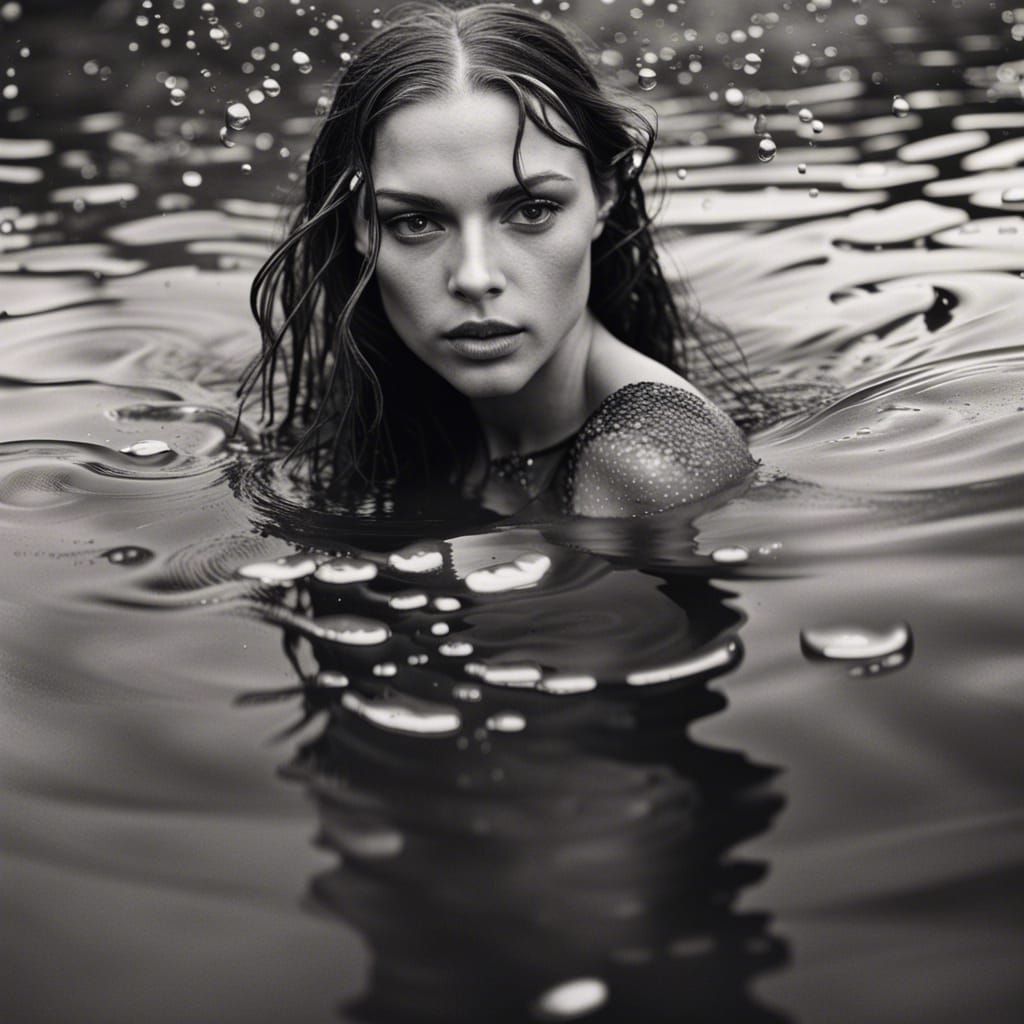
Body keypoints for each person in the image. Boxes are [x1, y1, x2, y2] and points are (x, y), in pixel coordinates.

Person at [239, 0, 761, 518]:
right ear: (358, 228)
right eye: (415, 222)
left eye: (533, 211)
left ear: (606, 197)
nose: (475, 277)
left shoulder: (647, 459)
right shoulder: (376, 411)